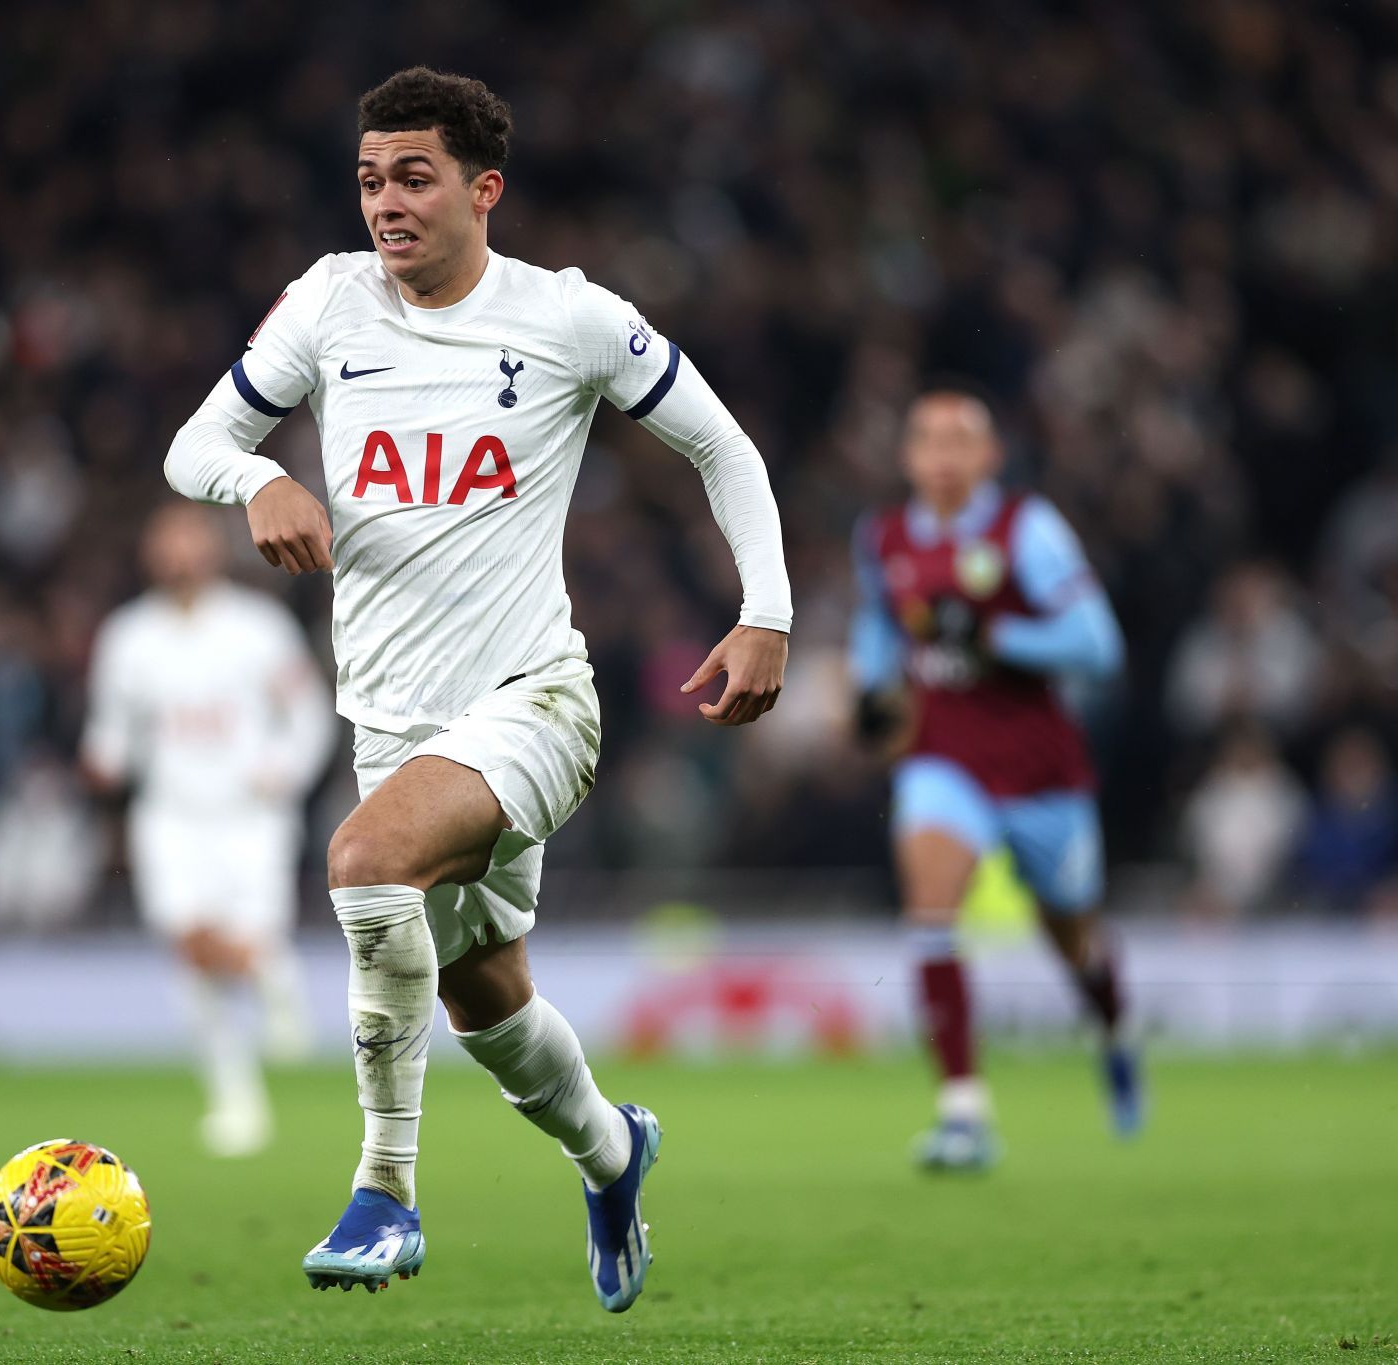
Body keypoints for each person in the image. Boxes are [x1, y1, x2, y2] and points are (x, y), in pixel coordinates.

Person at [163, 67, 791, 1311]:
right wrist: (260, 484)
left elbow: (723, 444)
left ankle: (384, 1194)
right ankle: (614, 1153)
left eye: (414, 177)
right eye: (369, 179)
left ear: (482, 189)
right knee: (483, 998)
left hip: (536, 701)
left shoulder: (566, 319)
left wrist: (765, 611)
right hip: (392, 722)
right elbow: (195, 447)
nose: (386, 203)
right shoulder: (329, 302)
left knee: (362, 864)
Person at [850, 389, 1137, 1172]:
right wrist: (870, 689)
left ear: (990, 457)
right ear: (909, 457)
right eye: (928, 440)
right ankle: (964, 1112)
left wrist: (994, 634)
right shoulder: (882, 537)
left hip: (1042, 769)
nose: (943, 455)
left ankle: (1113, 1029)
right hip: (944, 759)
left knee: (1073, 935)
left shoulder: (1028, 530)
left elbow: (1098, 647)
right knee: (931, 903)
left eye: (961, 440)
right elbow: (879, 619)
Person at [82, 502, 335, 1157]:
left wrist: (284, 767)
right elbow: (114, 728)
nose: (178, 557)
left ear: (213, 550)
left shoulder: (258, 628)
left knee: (232, 947)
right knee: (191, 949)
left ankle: (265, 987)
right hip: (170, 816)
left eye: (189, 543)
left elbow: (308, 714)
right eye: (166, 544)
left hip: (250, 816)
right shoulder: (127, 637)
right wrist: (105, 757)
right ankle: (241, 1081)